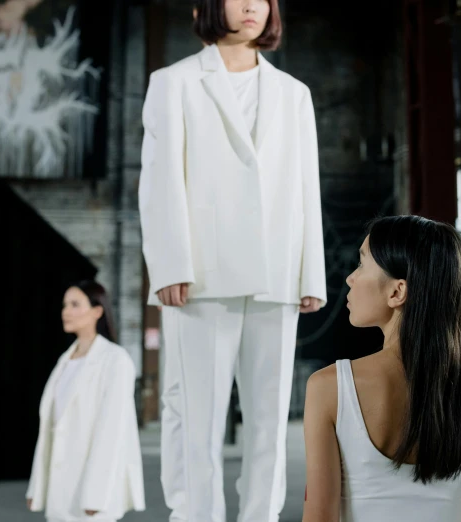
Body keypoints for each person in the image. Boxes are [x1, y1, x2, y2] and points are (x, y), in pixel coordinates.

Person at [138, 0, 327, 520]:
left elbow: (307, 186)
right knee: (197, 417)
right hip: (203, 276)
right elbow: (158, 182)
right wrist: (171, 265)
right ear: (207, 7)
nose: (251, 7)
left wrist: (310, 272)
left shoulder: (294, 95)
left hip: (277, 274)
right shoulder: (173, 82)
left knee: (270, 419)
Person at [302, 215, 461, 522]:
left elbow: (319, 517)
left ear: (397, 292)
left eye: (362, 264)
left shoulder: (329, 387)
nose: (351, 278)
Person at [26, 281, 145, 522]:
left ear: (97, 311)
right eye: (64, 305)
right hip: (60, 490)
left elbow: (111, 431)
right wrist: (37, 488)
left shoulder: (115, 360)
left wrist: (95, 495)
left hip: (92, 495)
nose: (65, 311)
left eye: (74, 304)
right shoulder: (65, 361)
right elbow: (50, 429)